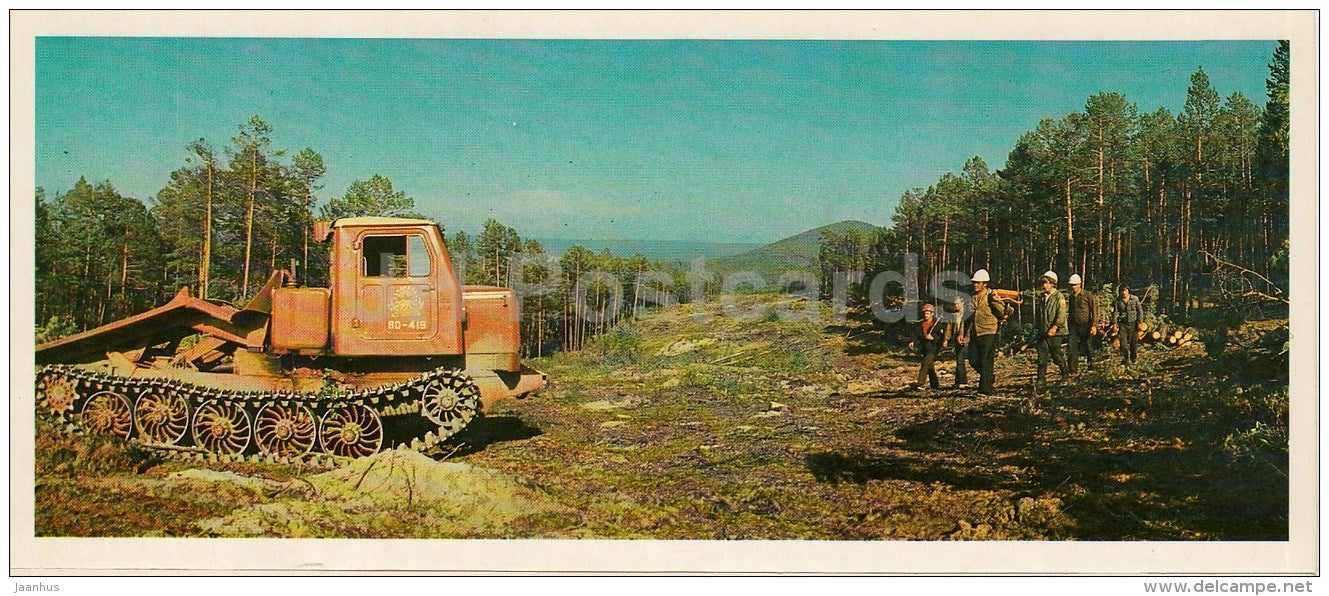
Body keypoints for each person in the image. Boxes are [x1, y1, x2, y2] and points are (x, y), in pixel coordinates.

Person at [967, 269, 1009, 396]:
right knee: (973, 360)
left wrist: (997, 300)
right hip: (976, 332)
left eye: (978, 282)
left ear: (985, 284)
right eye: (974, 282)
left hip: (990, 332)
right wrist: (965, 334)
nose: (975, 285)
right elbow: (968, 317)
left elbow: (1004, 312)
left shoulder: (991, 295)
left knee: (986, 360)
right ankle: (989, 377)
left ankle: (985, 390)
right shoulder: (972, 297)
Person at [1033, 271, 1070, 387]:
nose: (1044, 285)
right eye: (1043, 283)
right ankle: (1041, 379)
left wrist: (1054, 327)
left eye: (1047, 283)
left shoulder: (1059, 297)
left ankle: (1065, 375)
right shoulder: (1043, 298)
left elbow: (1061, 315)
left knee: (1056, 354)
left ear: (1053, 283)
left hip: (1057, 332)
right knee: (1042, 355)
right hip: (1044, 331)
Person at [907, 303, 947, 390]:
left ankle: (920, 383)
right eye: (924, 313)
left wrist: (933, 338)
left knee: (925, 364)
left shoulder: (937, 323)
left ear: (932, 314)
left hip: (933, 348)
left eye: (928, 313)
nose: (926, 315)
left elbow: (940, 336)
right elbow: (917, 335)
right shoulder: (921, 324)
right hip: (925, 347)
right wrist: (913, 342)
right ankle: (935, 384)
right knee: (930, 366)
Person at [1066, 273, 1099, 374]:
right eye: (1071, 285)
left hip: (1086, 324)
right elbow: (1071, 311)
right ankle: (1072, 369)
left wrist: (1094, 325)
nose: (1073, 287)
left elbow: (1094, 310)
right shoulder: (1071, 297)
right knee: (1072, 346)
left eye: (1075, 285)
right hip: (1074, 326)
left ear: (1080, 284)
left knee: (1088, 345)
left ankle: (1091, 366)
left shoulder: (1088, 295)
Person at [1113, 284, 1145, 365]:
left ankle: (1134, 359)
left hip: (1133, 323)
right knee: (1123, 343)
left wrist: (1140, 322)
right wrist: (1114, 323)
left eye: (1125, 291)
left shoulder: (1134, 299)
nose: (1123, 293)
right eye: (1121, 291)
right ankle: (1125, 359)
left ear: (1128, 291)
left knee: (1133, 343)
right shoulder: (1118, 301)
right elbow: (1115, 312)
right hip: (1123, 324)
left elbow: (1140, 311)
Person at [949, 298, 973, 388]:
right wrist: (946, 339)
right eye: (954, 304)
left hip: (966, 340)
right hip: (957, 340)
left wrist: (966, 339)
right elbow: (949, 327)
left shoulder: (967, 315)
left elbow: (969, 329)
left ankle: (962, 381)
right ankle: (959, 381)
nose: (956, 306)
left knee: (961, 359)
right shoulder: (953, 316)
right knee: (959, 360)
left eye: (958, 304)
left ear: (962, 304)